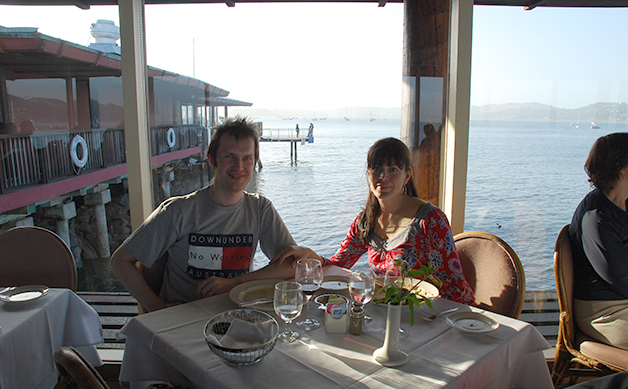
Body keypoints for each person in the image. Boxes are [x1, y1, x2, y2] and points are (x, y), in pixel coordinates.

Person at [110, 116, 310, 312]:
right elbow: (120, 261)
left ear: (255, 161)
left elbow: (293, 266)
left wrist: (233, 283)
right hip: (183, 318)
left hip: (235, 315)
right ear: (212, 159)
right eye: (229, 157)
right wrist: (156, 307)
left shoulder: (260, 209)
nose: (239, 167)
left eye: (246, 158)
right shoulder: (178, 211)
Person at [273, 137, 475, 304]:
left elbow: (453, 285)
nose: (383, 176)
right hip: (389, 309)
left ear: (407, 176)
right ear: (368, 174)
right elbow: (339, 263)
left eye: (393, 169)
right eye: (377, 169)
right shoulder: (366, 221)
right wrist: (312, 256)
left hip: (431, 313)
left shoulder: (430, 221)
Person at [570, 132, 628, 350]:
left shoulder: (621, 204)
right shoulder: (596, 217)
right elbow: (622, 280)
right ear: (623, 168)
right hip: (605, 312)